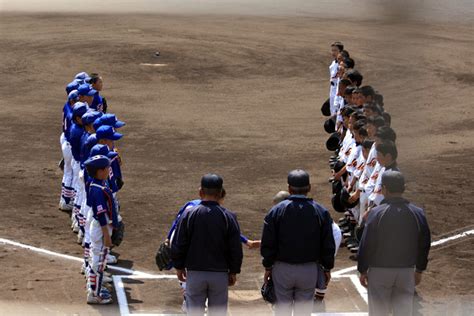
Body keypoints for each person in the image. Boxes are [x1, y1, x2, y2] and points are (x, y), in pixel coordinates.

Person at [261, 169, 335, 316]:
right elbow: (328, 244)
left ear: (289, 188)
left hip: (282, 269)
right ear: (309, 188)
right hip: (309, 270)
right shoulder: (321, 211)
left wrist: (268, 266)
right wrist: (327, 268)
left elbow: (268, 242)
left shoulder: (276, 211)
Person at [357, 171, 431, 316]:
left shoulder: (376, 213)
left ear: (384, 188)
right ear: (403, 188)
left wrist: (363, 269)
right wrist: (420, 269)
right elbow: (424, 243)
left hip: (379, 273)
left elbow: (366, 244)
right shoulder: (417, 213)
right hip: (406, 272)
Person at [171, 174, 243, 316]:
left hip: (195, 273)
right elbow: (235, 247)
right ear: (221, 193)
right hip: (220, 275)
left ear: (200, 192)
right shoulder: (228, 216)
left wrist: (179, 266)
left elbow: (180, 243)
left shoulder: (189, 214)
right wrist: (234, 271)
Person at [84, 155, 119, 304]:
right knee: (98, 262)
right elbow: (102, 215)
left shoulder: (95, 184)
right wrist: (107, 236)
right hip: (100, 228)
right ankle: (94, 295)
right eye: (107, 168)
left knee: (98, 260)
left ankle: (95, 290)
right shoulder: (98, 190)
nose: (109, 170)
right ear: (100, 171)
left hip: (98, 226)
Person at [59, 90, 80, 211]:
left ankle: (65, 199)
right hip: (69, 145)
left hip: (65, 142)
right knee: (72, 174)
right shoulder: (72, 115)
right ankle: (68, 201)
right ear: (72, 101)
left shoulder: (67, 107)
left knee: (68, 172)